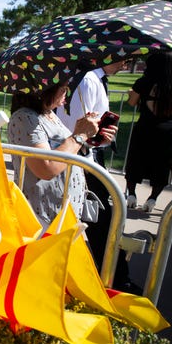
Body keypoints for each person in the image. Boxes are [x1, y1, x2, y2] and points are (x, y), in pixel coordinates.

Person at [55, 61, 139, 293]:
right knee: (101, 219)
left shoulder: (94, 79)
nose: (126, 63)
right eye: (123, 57)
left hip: (87, 155)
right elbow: (79, 129)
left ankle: (112, 275)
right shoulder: (88, 79)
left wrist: (101, 136)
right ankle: (114, 279)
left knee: (100, 219)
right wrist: (94, 138)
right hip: (81, 158)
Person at [8, 81, 105, 230]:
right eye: (63, 88)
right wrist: (79, 135)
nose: (67, 92)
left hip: (62, 212)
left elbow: (65, 151)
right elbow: (46, 168)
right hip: (41, 215)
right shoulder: (25, 118)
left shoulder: (48, 113)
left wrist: (89, 139)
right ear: (44, 89)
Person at [125, 51, 172, 212]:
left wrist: (131, 95)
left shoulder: (143, 82)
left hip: (145, 127)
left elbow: (132, 103)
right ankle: (152, 199)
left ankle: (131, 194)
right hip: (170, 130)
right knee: (162, 166)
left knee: (136, 160)